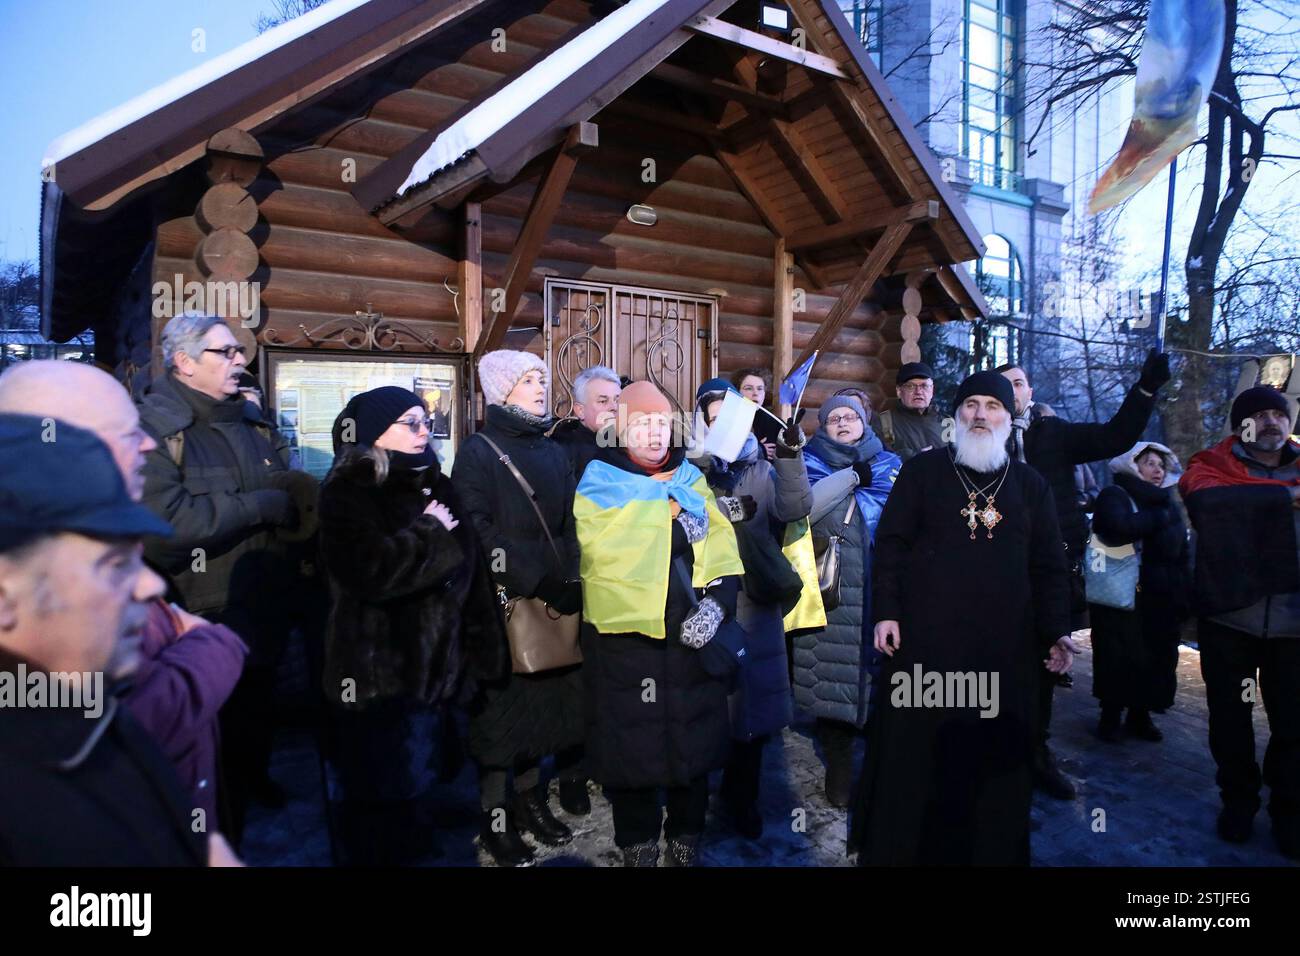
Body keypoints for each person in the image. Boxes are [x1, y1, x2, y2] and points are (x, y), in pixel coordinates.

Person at [0, 361, 248, 831]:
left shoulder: (85, 536)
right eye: (127, 431)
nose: (149, 443)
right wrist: (212, 645)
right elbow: (110, 734)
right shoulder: (31, 569)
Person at [851, 372, 1073, 865]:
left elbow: (1049, 565)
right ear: (955, 416)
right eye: (970, 404)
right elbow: (892, 546)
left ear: (1008, 417)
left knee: (991, 760)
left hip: (1005, 652)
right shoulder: (924, 473)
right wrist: (887, 612)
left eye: (991, 406)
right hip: (926, 647)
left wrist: (1056, 629)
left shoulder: (1030, 485)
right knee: (917, 758)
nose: (979, 414)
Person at [137, 312, 316, 842]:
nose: (242, 360)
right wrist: (262, 505)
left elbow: (289, 489)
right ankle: (215, 825)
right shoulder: (155, 429)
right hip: (203, 611)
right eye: (226, 352)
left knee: (255, 714)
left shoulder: (253, 423)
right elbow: (165, 524)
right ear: (184, 362)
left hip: (265, 603)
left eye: (240, 351)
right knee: (209, 729)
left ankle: (251, 781)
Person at [317, 386, 509, 865]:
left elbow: (475, 571)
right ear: (375, 435)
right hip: (383, 677)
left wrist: (485, 649)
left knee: (431, 796)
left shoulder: (437, 485)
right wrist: (429, 533)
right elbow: (369, 573)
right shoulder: (350, 491)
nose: (425, 431)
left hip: (444, 675)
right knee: (384, 806)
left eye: (426, 421)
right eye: (411, 422)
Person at [575, 381, 746, 865]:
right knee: (631, 745)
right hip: (627, 642)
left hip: (690, 635)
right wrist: (672, 526)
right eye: (641, 424)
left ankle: (687, 834)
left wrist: (717, 606)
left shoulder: (690, 478)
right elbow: (602, 550)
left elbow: (723, 548)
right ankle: (638, 840)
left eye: (660, 424)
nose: (653, 434)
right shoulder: (599, 480)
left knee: (694, 739)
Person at [997, 349, 1169, 799]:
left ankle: (1036, 753)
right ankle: (994, 752)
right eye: (1003, 384)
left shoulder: (1052, 434)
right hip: (993, 569)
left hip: (1051, 568)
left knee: (1045, 662)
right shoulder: (977, 440)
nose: (1012, 391)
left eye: (1019, 382)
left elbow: (1115, 436)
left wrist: (1145, 389)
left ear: (1030, 393)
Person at [452, 349, 585, 866]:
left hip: (553, 599)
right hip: (502, 604)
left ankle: (530, 802)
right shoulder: (479, 451)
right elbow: (476, 529)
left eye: (542, 378)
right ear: (501, 388)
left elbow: (573, 520)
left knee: (544, 708)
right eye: (529, 379)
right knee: (501, 719)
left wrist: (570, 574)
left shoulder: (552, 450)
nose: (539, 386)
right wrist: (536, 577)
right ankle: (495, 819)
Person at [1179, 386, 1300, 859]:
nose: (1270, 422)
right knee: (1231, 722)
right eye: (1258, 416)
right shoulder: (1209, 468)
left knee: (1294, 725)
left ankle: (1289, 809)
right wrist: (1286, 498)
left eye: (1278, 414)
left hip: (1295, 625)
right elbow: (1211, 508)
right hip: (1230, 620)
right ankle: (1239, 801)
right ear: (1239, 426)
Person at [693, 378, 812, 839]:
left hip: (755, 602)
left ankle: (741, 801)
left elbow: (796, 506)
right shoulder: (690, 468)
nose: (722, 422)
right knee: (704, 706)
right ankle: (696, 799)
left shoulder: (763, 467)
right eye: (713, 414)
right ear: (703, 421)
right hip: (706, 599)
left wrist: (789, 457)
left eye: (731, 414)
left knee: (753, 711)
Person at [795, 394, 901, 807]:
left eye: (849, 417)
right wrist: (852, 478)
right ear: (822, 426)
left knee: (880, 680)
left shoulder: (892, 466)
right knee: (831, 682)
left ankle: (879, 768)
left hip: (881, 590)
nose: (842, 423)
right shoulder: (808, 463)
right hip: (830, 591)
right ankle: (839, 767)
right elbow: (801, 511)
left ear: (864, 421)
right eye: (833, 418)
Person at [1088, 442, 1190, 744]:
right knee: (1118, 654)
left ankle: (1140, 715)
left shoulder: (1168, 502)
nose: (1158, 470)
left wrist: (1184, 590)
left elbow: (1182, 550)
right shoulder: (1115, 495)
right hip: (1122, 592)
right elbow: (1117, 528)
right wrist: (1158, 518)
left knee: (1155, 656)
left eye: (1161, 464)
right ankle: (1110, 715)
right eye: (1149, 463)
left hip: (1161, 594)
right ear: (1132, 466)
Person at [550, 364, 621, 481]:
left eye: (617, 400)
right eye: (603, 401)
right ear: (580, 411)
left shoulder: (629, 442)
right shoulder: (562, 451)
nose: (614, 407)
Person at [872, 361, 946, 462]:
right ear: (899, 391)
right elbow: (880, 461)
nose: (918, 392)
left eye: (924, 386)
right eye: (911, 386)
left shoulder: (946, 422)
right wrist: (913, 458)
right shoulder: (884, 422)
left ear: (932, 390)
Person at [732, 367, 777, 460]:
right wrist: (758, 450)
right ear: (737, 392)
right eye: (748, 388)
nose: (756, 393)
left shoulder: (773, 422)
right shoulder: (728, 419)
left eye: (760, 389)